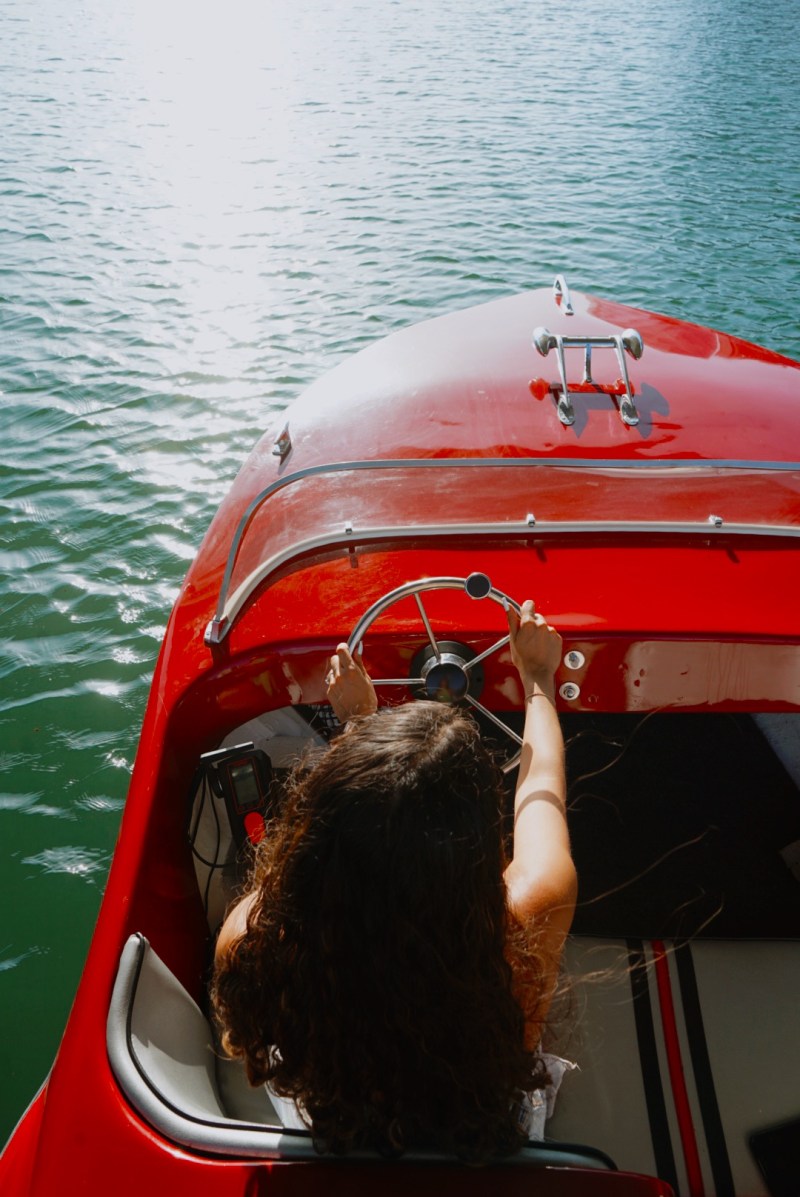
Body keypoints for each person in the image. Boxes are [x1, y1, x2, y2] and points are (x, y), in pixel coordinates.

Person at [211, 600, 577, 1161]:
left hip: (331, 1135)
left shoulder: (248, 939)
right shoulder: (529, 920)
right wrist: (538, 679)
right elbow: (541, 782)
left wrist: (360, 727)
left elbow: (357, 834)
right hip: (481, 1139)